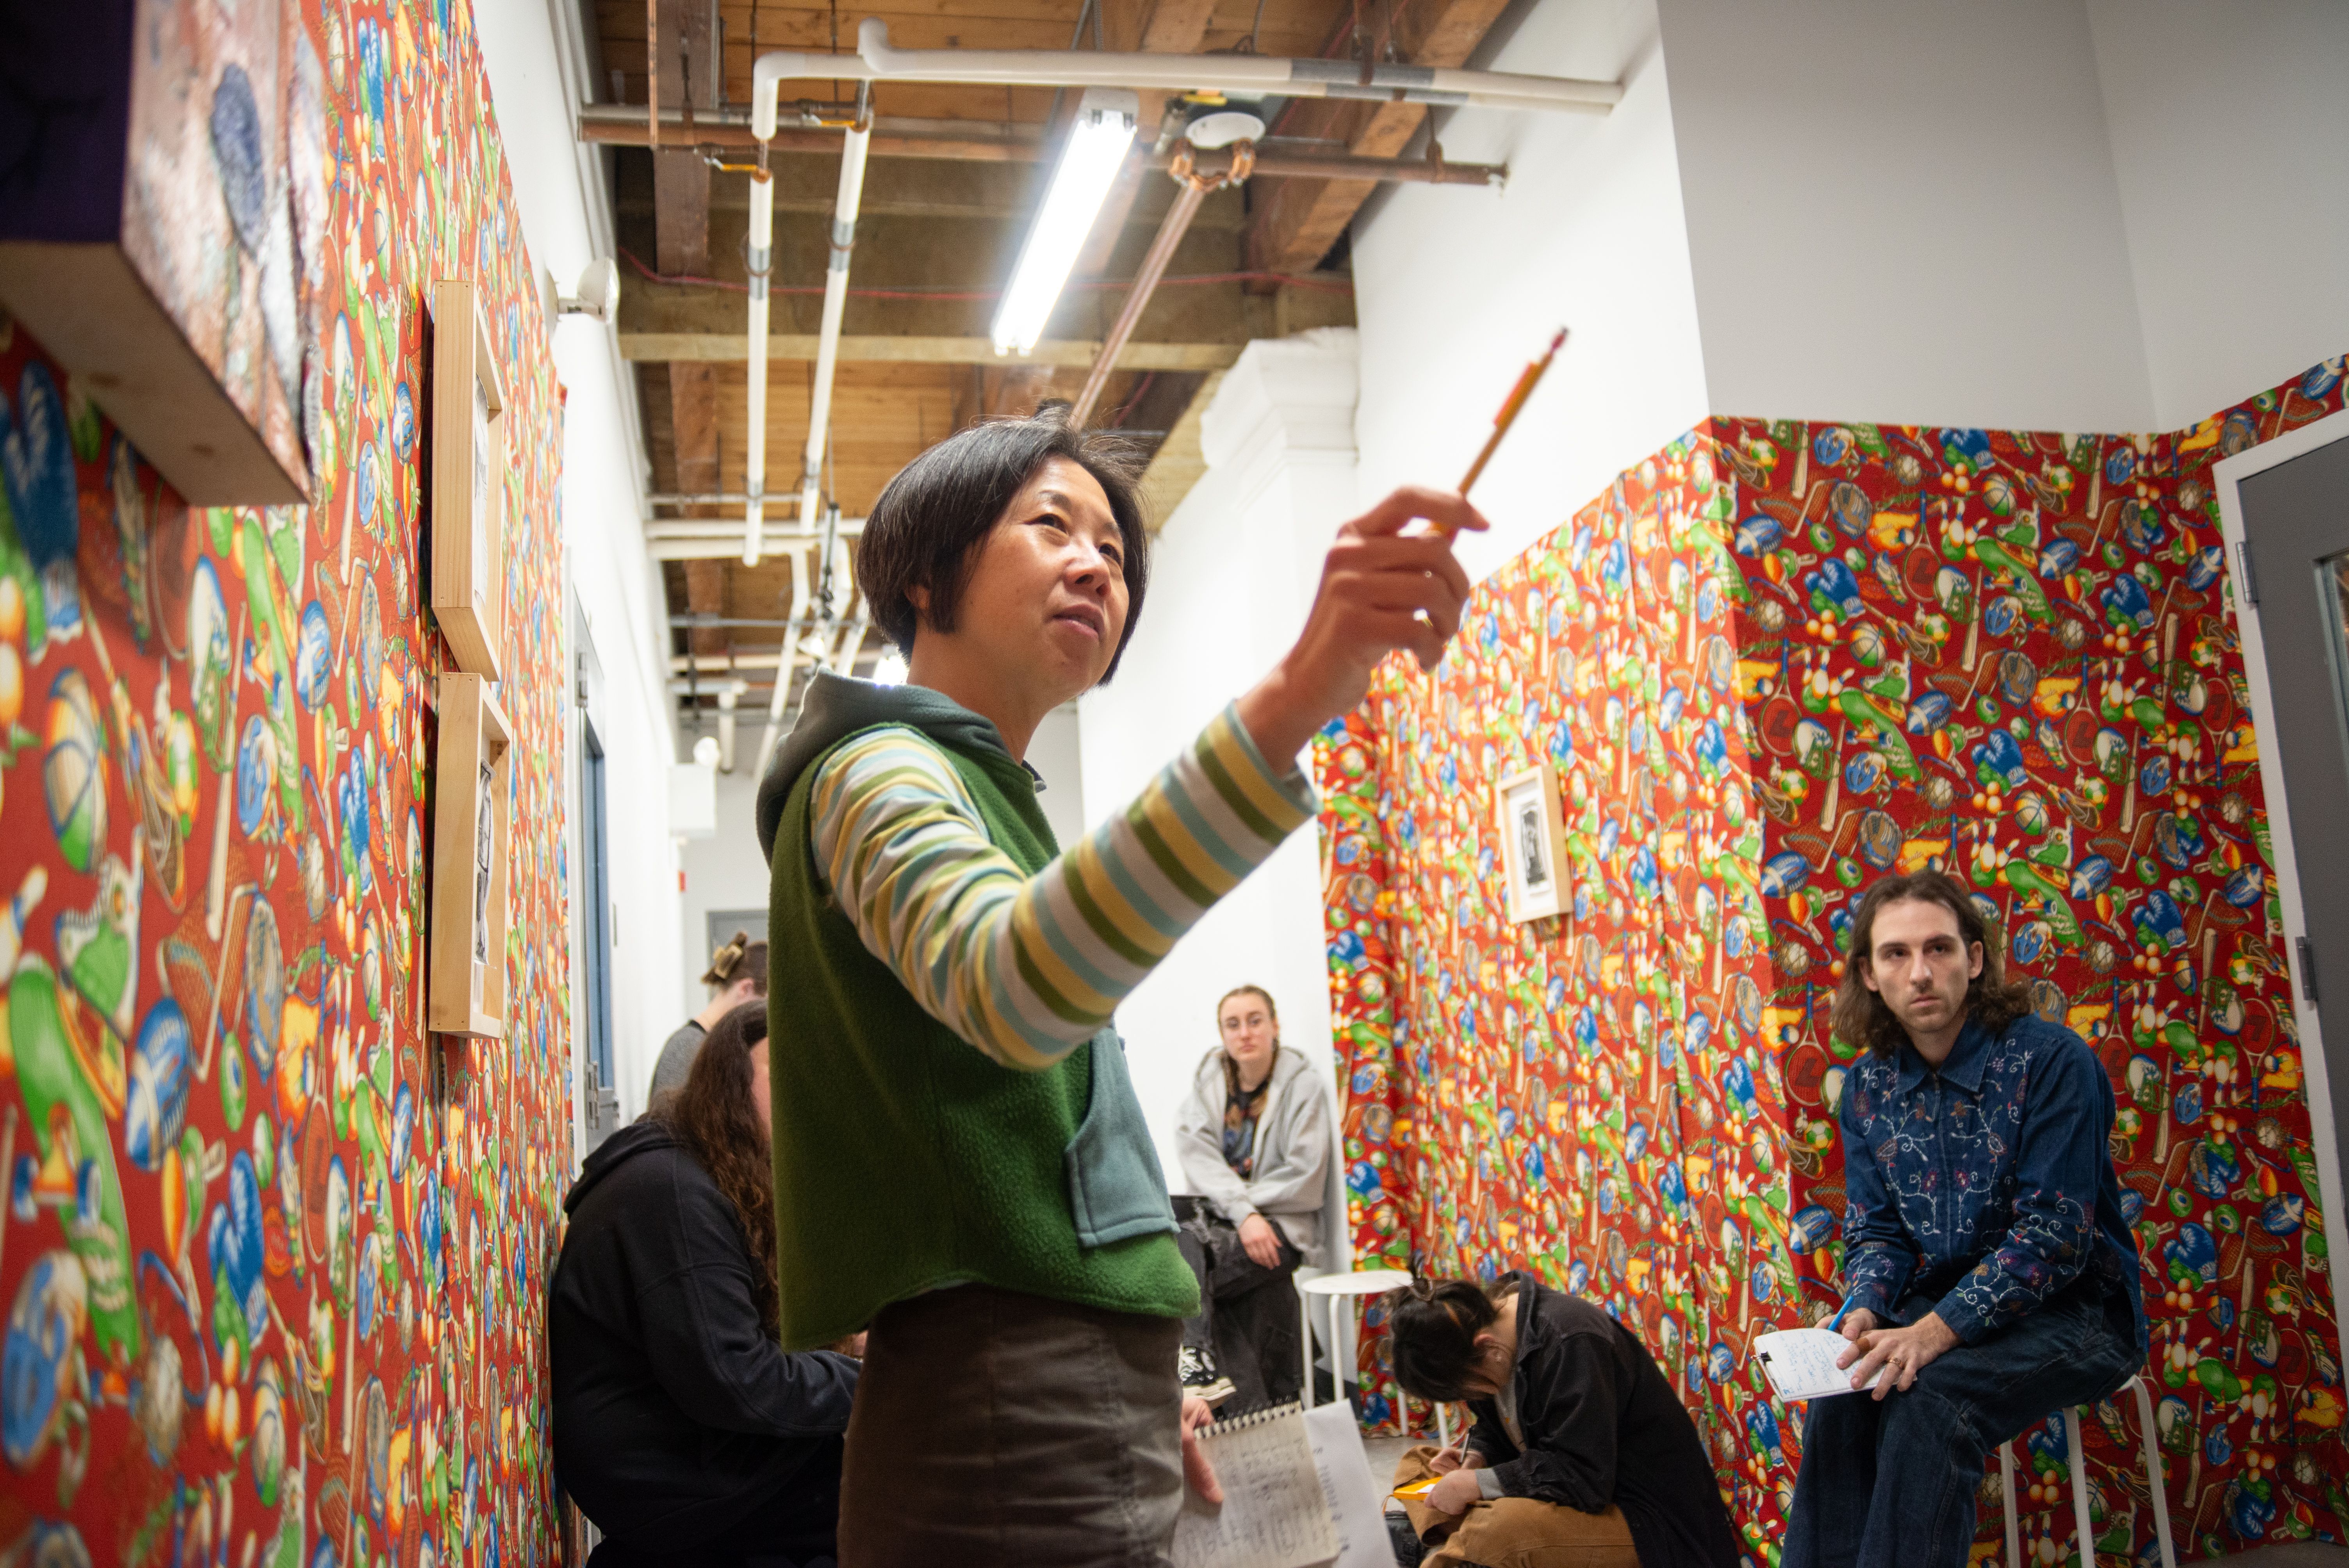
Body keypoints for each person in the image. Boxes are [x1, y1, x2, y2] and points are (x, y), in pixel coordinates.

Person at [754, 407, 1482, 1567]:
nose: (1097, 561)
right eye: (1051, 524)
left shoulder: (982, 795)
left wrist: (1133, 1386)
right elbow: (1010, 987)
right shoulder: (875, 766)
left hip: (1060, 1386)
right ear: (928, 564)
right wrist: (1293, 693)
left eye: (1115, 549)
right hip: (1006, 1390)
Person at [1782, 870, 2146, 1568]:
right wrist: (1865, 1309)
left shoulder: (2051, 1061)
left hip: (2081, 1312)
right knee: (1845, 1394)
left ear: (1974, 959)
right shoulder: (1867, 1086)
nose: (1920, 972)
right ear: (1870, 972)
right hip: (1938, 1307)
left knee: (1929, 1402)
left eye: (1939, 949)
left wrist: (1931, 1333)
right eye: (1895, 954)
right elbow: (1879, 1234)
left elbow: (2054, 1236)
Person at [550, 1001, 857, 1567]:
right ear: (730, 1081)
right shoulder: (673, 1193)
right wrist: (873, 1381)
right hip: (672, 1491)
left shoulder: (699, 1174)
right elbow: (738, 1380)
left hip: (681, 1468)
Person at [1381, 1273, 1740, 1568]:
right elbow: (1496, 1426)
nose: (1474, 1397)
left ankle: (1453, 1548)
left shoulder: (1571, 1340)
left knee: (1497, 1531)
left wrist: (1476, 1484)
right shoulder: (1491, 1343)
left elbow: (1584, 1479)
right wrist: (1475, 1458)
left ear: (1487, 1345)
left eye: (1470, 1386)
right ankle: (1451, 1543)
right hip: (1562, 1486)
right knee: (1417, 1466)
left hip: (1641, 1515)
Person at [1172, 983, 1334, 1411]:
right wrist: (1243, 1213)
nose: (1245, 1032)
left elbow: (1303, 1175)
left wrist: (1241, 1208)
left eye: (1255, 1020)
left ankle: (1197, 1364)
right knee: (1178, 1233)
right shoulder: (1211, 1080)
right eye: (1233, 1023)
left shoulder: (1303, 1086)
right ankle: (1250, 1401)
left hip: (1284, 1227)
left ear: (1275, 1025)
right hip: (1232, 1223)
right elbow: (1196, 1153)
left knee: (1189, 1263)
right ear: (1222, 1033)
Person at [650, 932, 768, 1101]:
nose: (763, 1015)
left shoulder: (710, 1046)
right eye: (764, 1004)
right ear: (746, 989)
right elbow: (665, 1124)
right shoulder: (688, 1046)